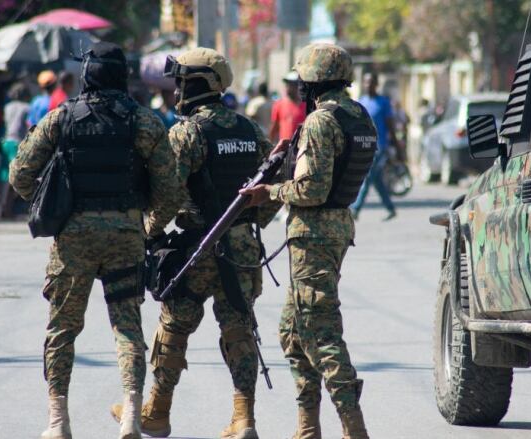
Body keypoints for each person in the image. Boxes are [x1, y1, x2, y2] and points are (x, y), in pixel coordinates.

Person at [9, 42, 181, 439]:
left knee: (63, 329)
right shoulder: (144, 121)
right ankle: (132, 417)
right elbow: (170, 191)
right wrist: (147, 227)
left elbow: (19, 175)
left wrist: (52, 198)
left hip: (73, 239)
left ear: (86, 75)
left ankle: (58, 421)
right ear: (124, 76)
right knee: (127, 328)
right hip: (125, 235)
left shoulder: (61, 118)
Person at [109, 47, 279, 439]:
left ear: (197, 84)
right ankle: (244, 419)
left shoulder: (187, 133)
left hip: (198, 248)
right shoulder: (249, 129)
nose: (177, 90)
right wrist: (249, 227)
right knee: (239, 329)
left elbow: (166, 195)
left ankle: (157, 411)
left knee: (173, 327)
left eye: (181, 81)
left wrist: (148, 231)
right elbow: (271, 188)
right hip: (241, 249)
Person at [240, 43, 373, 439]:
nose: (299, 85)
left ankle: (354, 427)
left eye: (303, 79)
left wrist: (270, 193)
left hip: (314, 234)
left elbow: (312, 190)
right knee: (292, 333)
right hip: (334, 230)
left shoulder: (320, 122)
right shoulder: (358, 116)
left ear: (313, 80)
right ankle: (307, 427)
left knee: (320, 332)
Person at [349, 72, 399, 221]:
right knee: (376, 180)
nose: (368, 85)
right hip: (364, 145)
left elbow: (390, 125)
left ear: (376, 84)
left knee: (367, 176)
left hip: (379, 147)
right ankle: (390, 208)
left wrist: (396, 145)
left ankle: (355, 209)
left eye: (371, 82)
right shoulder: (362, 102)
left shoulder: (383, 102)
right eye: (365, 82)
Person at [0, 82, 31, 218]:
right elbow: (28, 126)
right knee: (15, 177)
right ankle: (7, 209)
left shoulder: (7, 107)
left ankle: (4, 208)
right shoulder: (26, 108)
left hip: (6, 141)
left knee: (5, 177)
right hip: (18, 143)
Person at [269, 71, 306, 143]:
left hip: (300, 147)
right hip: (284, 148)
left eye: (291, 84)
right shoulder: (279, 104)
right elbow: (274, 127)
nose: (288, 87)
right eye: (287, 84)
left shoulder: (306, 105)